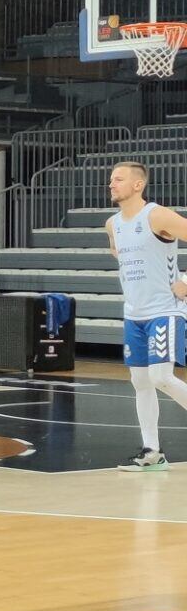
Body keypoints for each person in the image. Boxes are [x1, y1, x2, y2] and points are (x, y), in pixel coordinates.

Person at [104, 161, 187, 471]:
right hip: (134, 315)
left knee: (161, 377)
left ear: (138, 185)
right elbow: (120, 254)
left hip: (165, 310)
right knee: (140, 381)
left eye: (118, 179)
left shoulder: (157, 215)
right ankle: (152, 452)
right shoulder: (112, 224)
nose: (111, 184)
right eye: (111, 179)